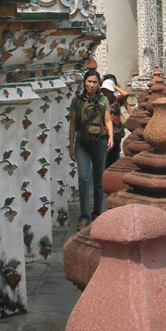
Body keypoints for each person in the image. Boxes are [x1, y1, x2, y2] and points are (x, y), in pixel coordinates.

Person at [69, 71, 113, 229]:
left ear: (99, 84)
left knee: (98, 180)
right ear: (84, 82)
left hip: (99, 140)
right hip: (82, 141)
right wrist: (71, 145)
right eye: (89, 81)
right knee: (83, 178)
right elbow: (73, 123)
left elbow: (107, 120)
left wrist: (110, 137)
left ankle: (96, 213)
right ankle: (84, 216)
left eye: (94, 82)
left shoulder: (103, 100)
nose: (91, 85)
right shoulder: (77, 101)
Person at [101, 77, 126, 168]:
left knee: (115, 156)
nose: (106, 92)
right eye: (104, 90)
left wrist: (114, 86)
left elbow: (125, 94)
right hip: (104, 133)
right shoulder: (101, 101)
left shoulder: (117, 100)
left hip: (116, 131)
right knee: (105, 158)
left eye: (108, 90)